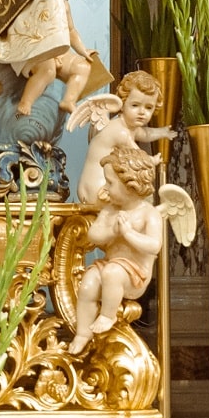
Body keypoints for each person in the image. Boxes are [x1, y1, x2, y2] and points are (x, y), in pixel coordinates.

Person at [68, 145, 165, 354]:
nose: (105, 187)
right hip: (110, 265)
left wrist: (128, 233)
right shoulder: (111, 210)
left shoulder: (148, 214)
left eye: (110, 183)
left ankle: (108, 315)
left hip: (135, 274)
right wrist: (113, 231)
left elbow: (154, 245)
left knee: (113, 273)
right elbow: (93, 235)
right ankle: (83, 332)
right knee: (88, 283)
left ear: (130, 186)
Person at [70, 69, 173, 208]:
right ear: (123, 103)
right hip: (99, 189)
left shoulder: (128, 126)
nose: (142, 112)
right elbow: (139, 160)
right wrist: (153, 160)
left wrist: (163, 132)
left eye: (149, 107)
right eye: (135, 105)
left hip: (95, 186)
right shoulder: (120, 131)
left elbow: (145, 134)